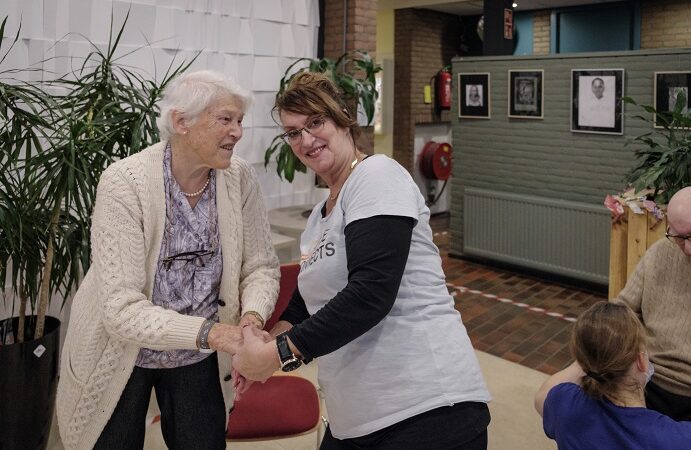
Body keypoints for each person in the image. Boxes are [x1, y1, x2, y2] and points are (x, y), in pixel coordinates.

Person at [232, 72, 491, 449]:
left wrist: (277, 355)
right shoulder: (321, 214)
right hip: (356, 416)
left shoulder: (377, 176)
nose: (306, 140)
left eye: (316, 122)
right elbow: (307, 302)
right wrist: (264, 344)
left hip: (425, 408)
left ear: (342, 118)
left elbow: (372, 293)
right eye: (292, 132)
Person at [55, 70, 280, 450]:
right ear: (181, 122)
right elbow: (121, 309)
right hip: (122, 352)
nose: (238, 132)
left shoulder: (239, 178)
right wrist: (216, 334)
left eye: (240, 121)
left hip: (199, 355)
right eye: (226, 119)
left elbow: (260, 266)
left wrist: (250, 319)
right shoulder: (124, 182)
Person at [535, 302, 691, 449]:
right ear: (641, 361)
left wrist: (590, 357)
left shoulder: (564, 406)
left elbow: (541, 396)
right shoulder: (676, 439)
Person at [612, 186, 691, 421]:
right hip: (648, 379)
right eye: (679, 236)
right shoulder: (659, 253)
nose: (688, 249)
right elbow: (622, 309)